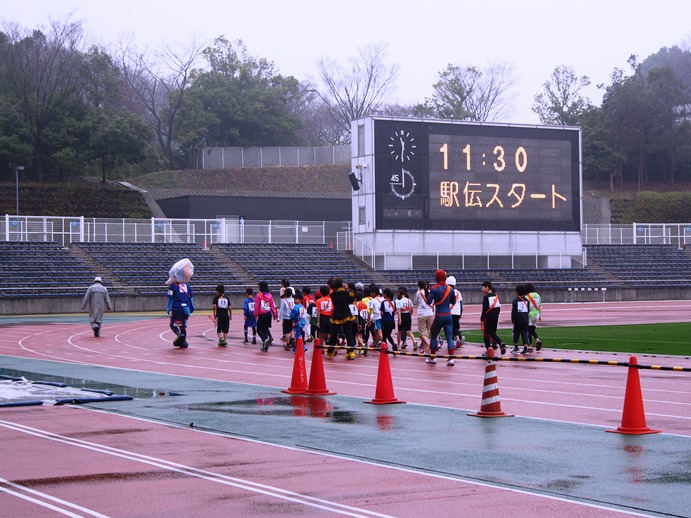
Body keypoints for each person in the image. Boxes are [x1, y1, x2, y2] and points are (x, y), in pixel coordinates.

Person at [426, 270, 457, 366]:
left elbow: (429, 301)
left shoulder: (434, 289)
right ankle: (451, 359)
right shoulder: (450, 289)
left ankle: (433, 358)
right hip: (448, 315)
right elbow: (453, 301)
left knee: (434, 335)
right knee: (449, 337)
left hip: (439, 315)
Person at [326, 278, 356, 360]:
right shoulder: (345, 293)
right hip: (346, 315)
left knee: (333, 335)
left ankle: (330, 351)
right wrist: (348, 289)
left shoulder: (332, 295)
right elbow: (351, 299)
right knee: (349, 334)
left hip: (336, 316)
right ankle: (350, 352)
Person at [167, 276, 195, 348]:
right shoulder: (187, 285)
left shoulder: (172, 285)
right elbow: (191, 297)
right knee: (183, 326)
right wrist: (192, 307)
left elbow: (170, 298)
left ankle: (179, 334)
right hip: (186, 308)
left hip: (177, 307)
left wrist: (168, 307)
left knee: (173, 324)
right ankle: (183, 342)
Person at [480, 280, 506, 355]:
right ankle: (501, 343)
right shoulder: (496, 296)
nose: (482, 289)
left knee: (486, 334)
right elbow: (498, 307)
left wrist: (482, 319)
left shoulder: (486, 297)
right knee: (493, 333)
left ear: (487, 287)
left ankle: (488, 350)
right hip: (495, 317)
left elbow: (484, 309)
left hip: (488, 318)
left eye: (483, 287)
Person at [254, 281, 278, 352]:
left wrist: (255, 315)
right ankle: (265, 344)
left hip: (262, 315)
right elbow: (272, 305)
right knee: (265, 329)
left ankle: (265, 340)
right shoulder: (270, 295)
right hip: (268, 314)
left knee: (259, 330)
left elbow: (257, 306)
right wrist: (274, 314)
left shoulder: (258, 295)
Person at [414, 280, 434, 355]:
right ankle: (423, 349)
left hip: (422, 314)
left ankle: (429, 344)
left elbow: (416, 302)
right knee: (426, 333)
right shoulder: (430, 292)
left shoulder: (418, 293)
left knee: (422, 333)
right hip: (430, 313)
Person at [511, 284, 531, 354]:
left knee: (516, 333)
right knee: (524, 333)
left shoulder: (515, 300)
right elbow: (528, 310)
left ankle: (516, 347)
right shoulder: (527, 300)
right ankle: (525, 348)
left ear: (517, 292)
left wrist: (513, 319)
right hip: (525, 319)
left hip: (518, 320)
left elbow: (514, 311)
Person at [447, 276, 464, 348]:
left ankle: (452, 343)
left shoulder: (447, 291)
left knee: (449, 328)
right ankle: (458, 337)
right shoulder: (458, 292)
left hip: (449, 312)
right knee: (456, 328)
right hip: (457, 312)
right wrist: (460, 313)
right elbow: (460, 304)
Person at [525, 283, 543, 351]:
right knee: (532, 330)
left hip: (530, 315)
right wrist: (540, 315)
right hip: (536, 315)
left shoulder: (527, 296)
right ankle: (537, 340)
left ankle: (530, 345)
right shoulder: (538, 295)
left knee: (528, 331)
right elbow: (540, 306)